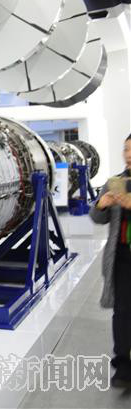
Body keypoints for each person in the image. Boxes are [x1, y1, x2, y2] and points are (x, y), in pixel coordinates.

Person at [90, 133, 131, 389]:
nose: (128, 155)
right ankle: (123, 366)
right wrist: (101, 205)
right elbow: (97, 219)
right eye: (126, 149)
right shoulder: (115, 182)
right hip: (122, 257)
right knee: (123, 312)